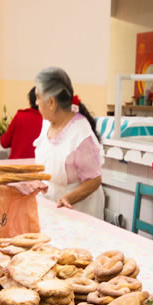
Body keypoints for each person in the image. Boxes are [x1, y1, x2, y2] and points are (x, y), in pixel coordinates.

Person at [33, 67, 105, 219]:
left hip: (79, 211)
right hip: (53, 206)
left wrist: (68, 198)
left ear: (51, 102)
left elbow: (94, 179)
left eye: (38, 97)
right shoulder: (47, 124)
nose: (36, 102)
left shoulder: (80, 134)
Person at [0, 87, 43, 159]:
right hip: (40, 167)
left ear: (30, 100)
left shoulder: (20, 116)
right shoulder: (51, 120)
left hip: (16, 166)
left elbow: (4, 142)